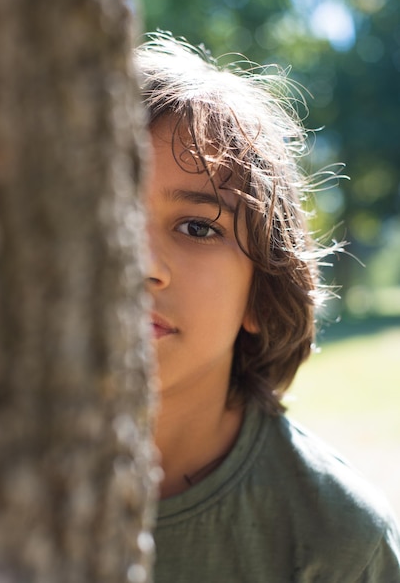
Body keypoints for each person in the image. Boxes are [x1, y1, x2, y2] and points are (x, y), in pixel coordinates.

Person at [135, 32, 400, 582]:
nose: (141, 263)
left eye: (196, 227)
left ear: (260, 291)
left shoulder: (338, 541)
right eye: (106, 216)